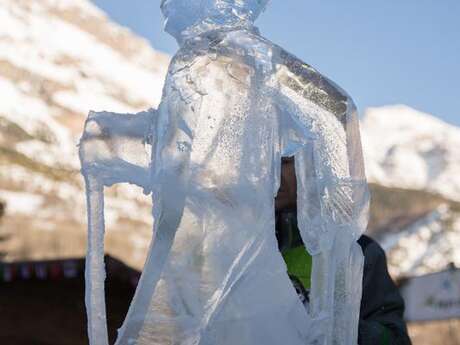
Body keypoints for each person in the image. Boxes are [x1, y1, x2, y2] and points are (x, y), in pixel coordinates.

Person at [275, 157, 412, 345]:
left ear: (310, 165)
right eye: (262, 159)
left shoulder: (356, 253)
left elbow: (396, 339)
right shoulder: (236, 255)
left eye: (284, 161)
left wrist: (340, 331)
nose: (272, 171)